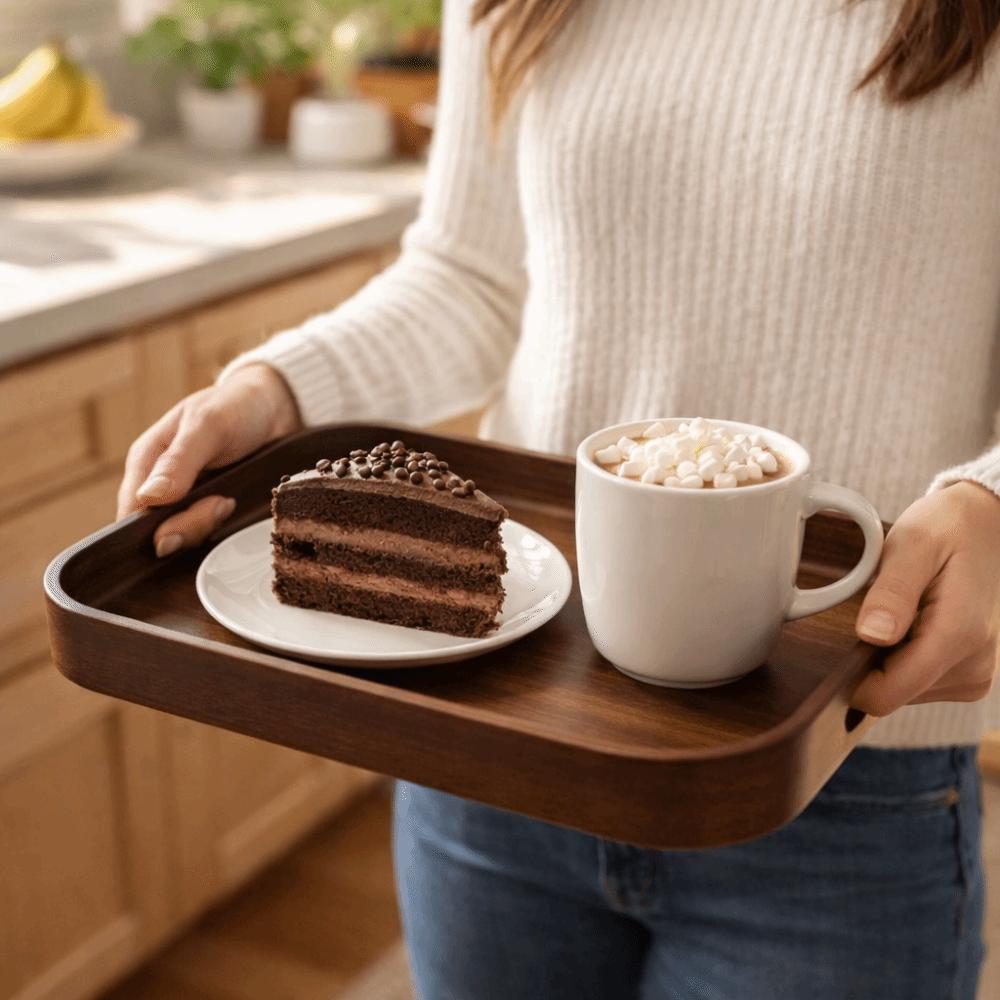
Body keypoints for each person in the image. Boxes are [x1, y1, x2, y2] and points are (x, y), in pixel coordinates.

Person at [118, 1, 1000, 996]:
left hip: (836, 783)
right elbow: (469, 277)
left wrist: (990, 499)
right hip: (501, 735)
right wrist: (273, 391)